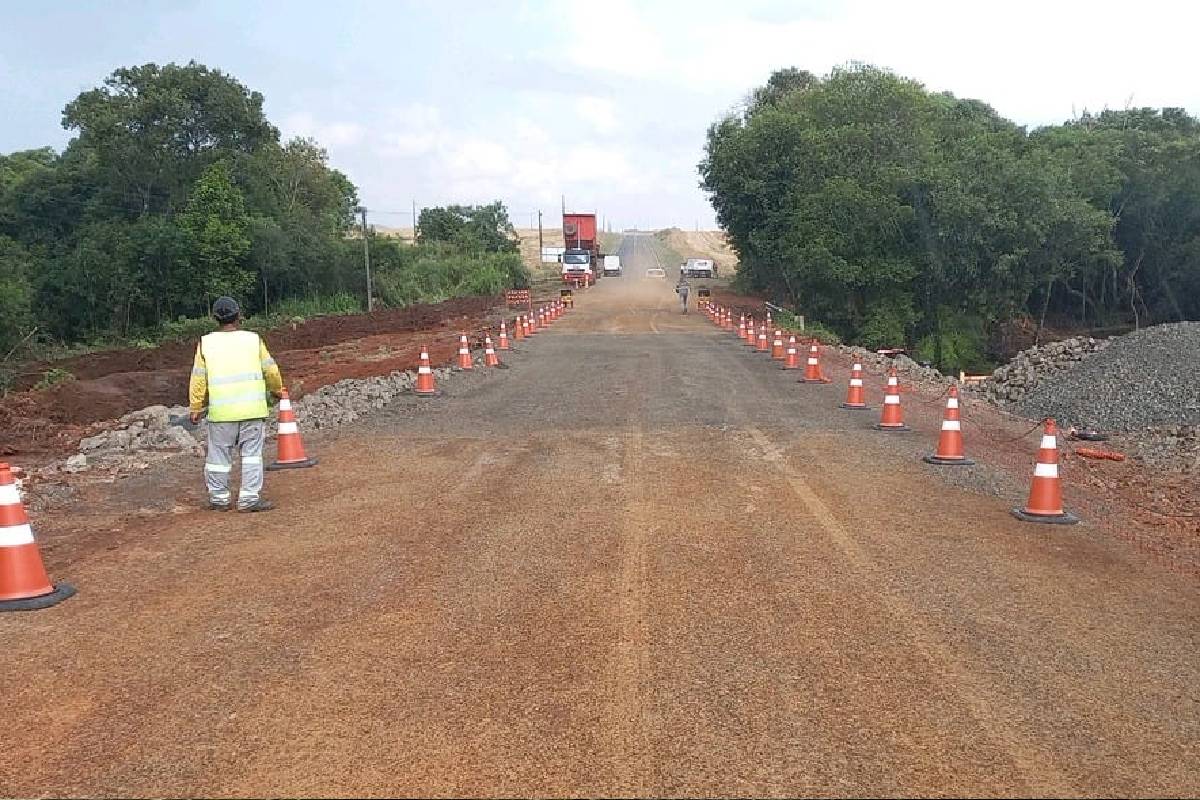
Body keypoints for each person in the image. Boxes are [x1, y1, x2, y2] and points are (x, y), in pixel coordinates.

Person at [188, 296, 284, 512]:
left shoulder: (206, 343)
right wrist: (277, 389)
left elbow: (198, 378)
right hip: (252, 410)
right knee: (251, 456)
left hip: (221, 414)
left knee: (218, 458)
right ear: (239, 315)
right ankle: (249, 499)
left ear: (215, 318)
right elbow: (270, 369)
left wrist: (195, 406)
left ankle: (219, 498)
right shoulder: (253, 340)